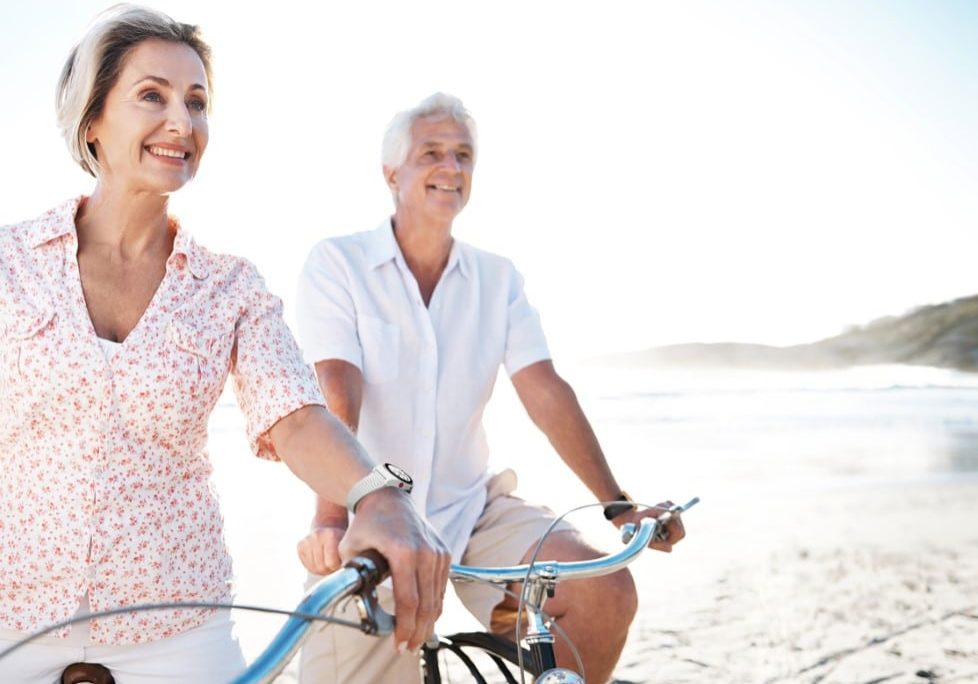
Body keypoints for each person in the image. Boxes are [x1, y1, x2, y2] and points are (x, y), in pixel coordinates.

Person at [0, 7, 449, 683]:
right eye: (152, 95)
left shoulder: (229, 286)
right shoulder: (11, 263)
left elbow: (295, 415)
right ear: (92, 120)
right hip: (15, 617)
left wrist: (377, 499)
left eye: (197, 101)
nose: (182, 122)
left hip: (178, 628)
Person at [295, 92, 687, 683]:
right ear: (391, 173)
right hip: (369, 516)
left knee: (603, 590)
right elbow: (336, 388)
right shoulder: (338, 263)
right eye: (432, 153)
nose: (451, 168)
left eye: (463, 155)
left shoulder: (497, 277)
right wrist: (331, 518)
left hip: (472, 507)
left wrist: (618, 504)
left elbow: (545, 389)